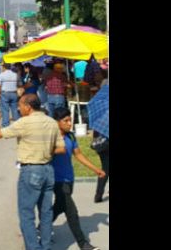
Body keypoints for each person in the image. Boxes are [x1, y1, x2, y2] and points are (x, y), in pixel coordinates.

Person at [0, 94, 65, 250]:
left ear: (28, 106)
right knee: (46, 213)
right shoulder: (52, 122)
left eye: (20, 105)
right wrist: (45, 151)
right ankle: (46, 246)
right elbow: (61, 148)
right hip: (48, 169)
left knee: (26, 213)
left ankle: (33, 247)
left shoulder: (24, 122)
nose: (19, 108)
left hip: (31, 170)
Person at [51, 107, 104, 250]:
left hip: (69, 178)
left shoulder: (71, 136)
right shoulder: (51, 137)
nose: (69, 123)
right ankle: (83, 244)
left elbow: (78, 154)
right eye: (66, 120)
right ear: (57, 122)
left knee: (59, 207)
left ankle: (41, 227)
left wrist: (96, 169)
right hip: (57, 181)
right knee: (71, 212)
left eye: (70, 120)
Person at [0, 63, 21, 127]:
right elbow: (19, 84)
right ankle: (17, 124)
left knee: (5, 109)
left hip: (5, 93)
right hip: (14, 93)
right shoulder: (15, 75)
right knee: (15, 109)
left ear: (4, 67)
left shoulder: (1, 75)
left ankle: (6, 124)